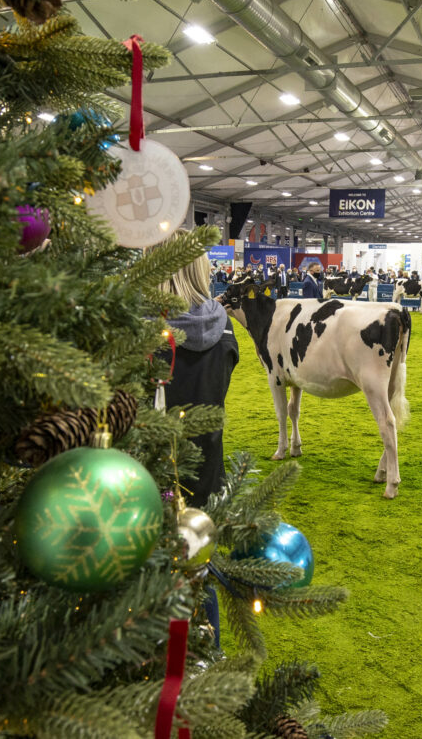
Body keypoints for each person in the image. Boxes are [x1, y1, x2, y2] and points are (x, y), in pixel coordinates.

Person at [153, 233, 239, 647]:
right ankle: (209, 660)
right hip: (207, 468)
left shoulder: (143, 335)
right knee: (199, 575)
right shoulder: (225, 334)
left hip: (150, 472)